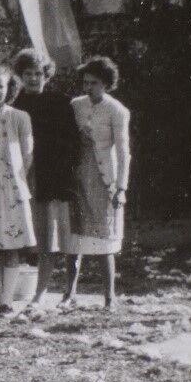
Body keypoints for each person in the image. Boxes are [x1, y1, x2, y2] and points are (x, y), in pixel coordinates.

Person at [11, 49, 79, 305]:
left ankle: (64, 292)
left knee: (62, 238)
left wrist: (64, 173)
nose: (33, 78)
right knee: (38, 239)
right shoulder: (16, 106)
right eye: (28, 73)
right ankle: (34, 291)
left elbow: (73, 143)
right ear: (20, 75)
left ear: (46, 75)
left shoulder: (61, 102)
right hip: (27, 179)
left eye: (38, 73)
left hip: (56, 179)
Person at [63, 56, 131, 308]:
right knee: (74, 237)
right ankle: (68, 294)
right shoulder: (75, 105)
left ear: (106, 83)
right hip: (78, 175)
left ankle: (109, 297)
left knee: (105, 237)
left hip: (104, 179)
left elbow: (124, 152)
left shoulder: (118, 110)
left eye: (93, 83)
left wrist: (121, 188)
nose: (87, 87)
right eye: (85, 82)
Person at [0, 65, 36, 318]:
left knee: (11, 245)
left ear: (9, 88)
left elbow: (27, 154)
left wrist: (12, 179)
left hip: (11, 186)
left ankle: (7, 302)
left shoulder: (20, 117)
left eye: (1, 86)